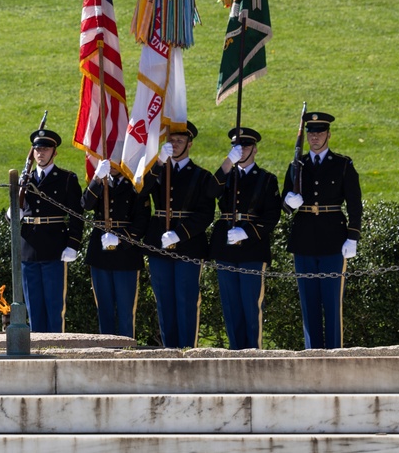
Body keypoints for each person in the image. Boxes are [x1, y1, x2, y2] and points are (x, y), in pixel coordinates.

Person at [281, 112, 363, 349]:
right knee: (309, 303)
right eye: (311, 133)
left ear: (328, 134)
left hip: (333, 240)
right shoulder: (297, 165)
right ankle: (312, 353)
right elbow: (284, 206)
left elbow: (355, 204)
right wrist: (290, 202)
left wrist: (353, 236)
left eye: (319, 133)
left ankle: (335, 353)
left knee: (332, 302)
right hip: (304, 239)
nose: (314, 137)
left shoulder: (342, 165)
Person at [139, 121, 216, 348]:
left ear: (189, 144)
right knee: (164, 301)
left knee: (186, 300)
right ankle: (169, 350)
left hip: (189, 244)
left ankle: (187, 350)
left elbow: (205, 214)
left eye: (180, 141)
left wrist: (180, 234)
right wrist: (159, 162)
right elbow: (141, 190)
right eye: (171, 140)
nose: (175, 144)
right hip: (159, 243)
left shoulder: (201, 176)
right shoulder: (159, 170)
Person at [208, 127, 281, 350]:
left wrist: (247, 231)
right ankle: (235, 350)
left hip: (252, 248)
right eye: (236, 147)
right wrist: (227, 164)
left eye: (245, 146)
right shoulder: (226, 175)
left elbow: (271, 216)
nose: (240, 150)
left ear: (255, 150)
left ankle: (253, 352)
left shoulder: (266, 179)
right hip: (226, 247)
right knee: (230, 305)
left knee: (251, 304)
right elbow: (209, 192)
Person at [18, 129, 84, 333]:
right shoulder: (25, 179)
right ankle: (37, 348)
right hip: (29, 248)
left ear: (54, 152)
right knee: (33, 307)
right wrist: (13, 211)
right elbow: (16, 211)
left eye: (46, 149)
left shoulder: (66, 179)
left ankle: (56, 347)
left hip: (55, 247)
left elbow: (76, 214)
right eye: (37, 149)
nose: (41, 153)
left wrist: (73, 244)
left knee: (55, 307)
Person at [81, 159, 150, 338]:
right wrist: (97, 178)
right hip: (100, 252)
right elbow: (86, 205)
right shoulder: (99, 182)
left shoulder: (134, 184)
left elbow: (142, 220)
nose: (111, 164)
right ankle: (107, 348)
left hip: (126, 254)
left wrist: (121, 239)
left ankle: (126, 348)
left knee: (126, 309)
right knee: (104, 308)